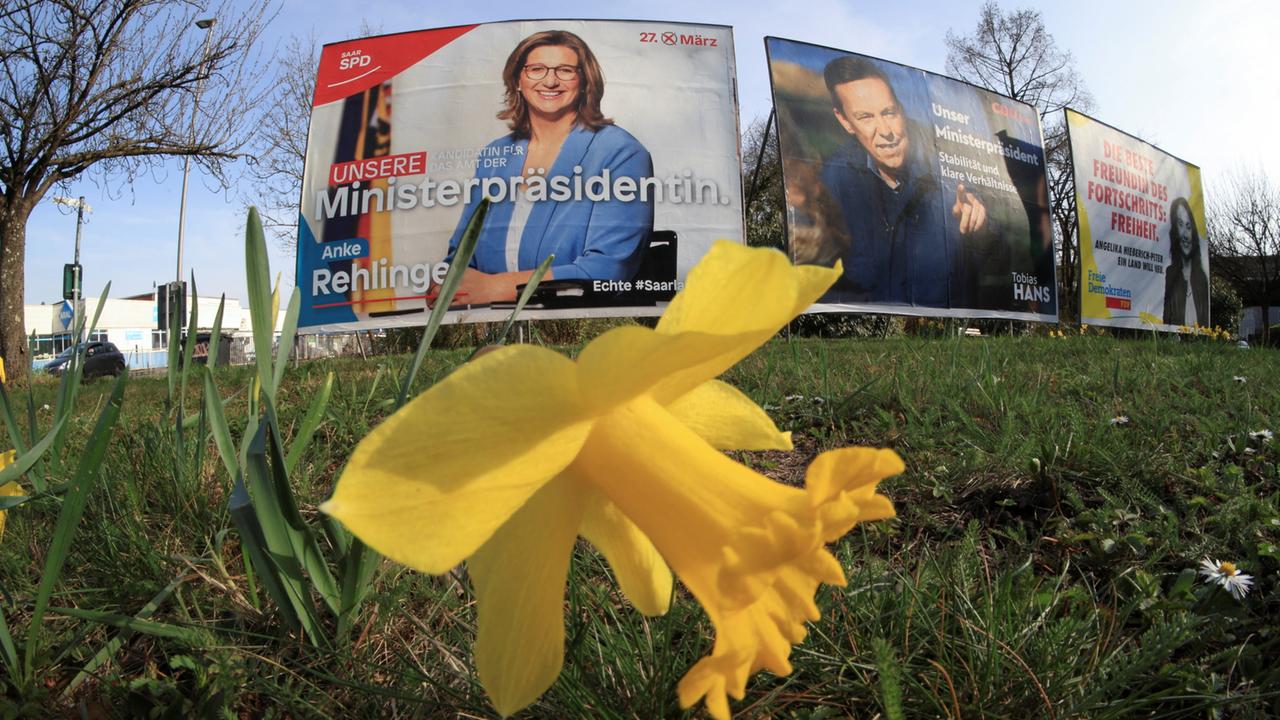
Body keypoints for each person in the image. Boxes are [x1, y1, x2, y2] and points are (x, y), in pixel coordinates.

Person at [444, 30, 654, 305]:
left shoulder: (621, 153)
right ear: (518, 80)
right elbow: (459, 256)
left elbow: (607, 270)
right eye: (537, 69)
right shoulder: (495, 154)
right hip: (489, 322)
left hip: (576, 322)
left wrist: (494, 288)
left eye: (565, 70)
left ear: (584, 81)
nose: (551, 81)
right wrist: (447, 283)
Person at [820, 56, 988, 306]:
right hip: (873, 334)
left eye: (889, 112)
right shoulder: (832, 181)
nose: (886, 131)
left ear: (901, 108)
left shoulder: (950, 168)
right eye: (866, 117)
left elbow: (1000, 255)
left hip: (941, 331)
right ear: (845, 121)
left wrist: (983, 223)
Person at [1163, 196, 1209, 326]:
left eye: (1189, 227)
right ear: (1174, 231)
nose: (1185, 235)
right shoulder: (1171, 274)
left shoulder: (1202, 278)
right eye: (1180, 225)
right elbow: (1167, 321)